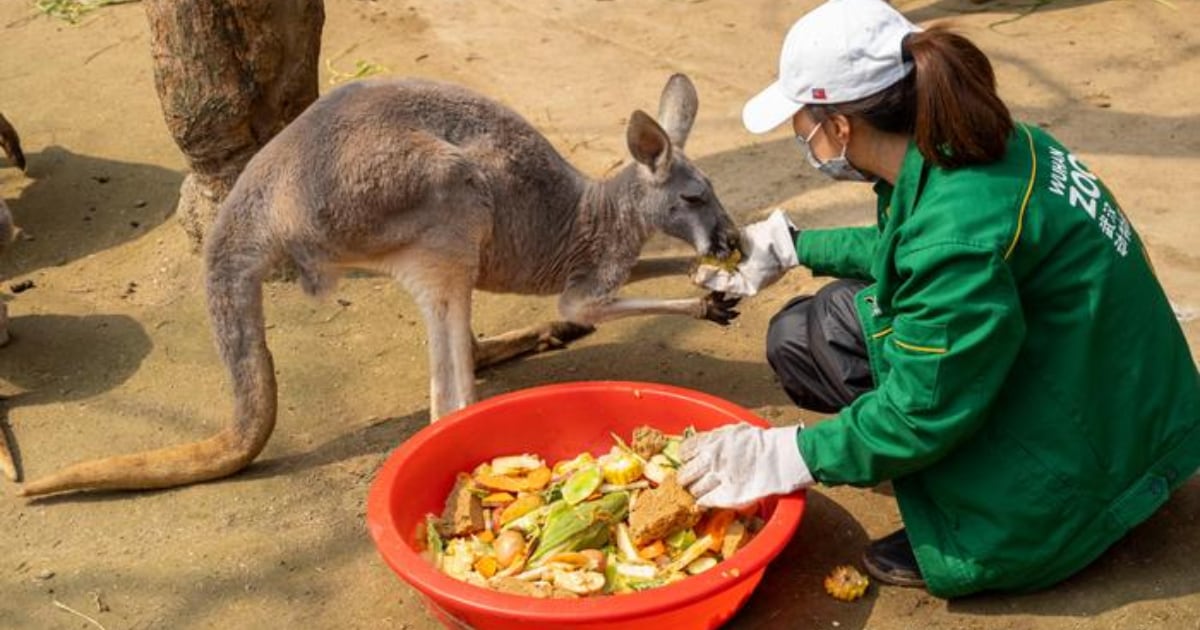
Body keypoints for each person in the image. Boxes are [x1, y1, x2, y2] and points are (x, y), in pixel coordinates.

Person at [679, 0, 1200, 598]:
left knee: (913, 402)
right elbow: (915, 242)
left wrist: (788, 454)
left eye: (803, 121)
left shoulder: (960, 234)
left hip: (1094, 455)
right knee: (808, 333)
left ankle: (1021, 520)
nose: (801, 136)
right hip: (1116, 392)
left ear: (840, 126)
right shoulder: (977, 138)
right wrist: (796, 247)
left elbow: (920, 408)